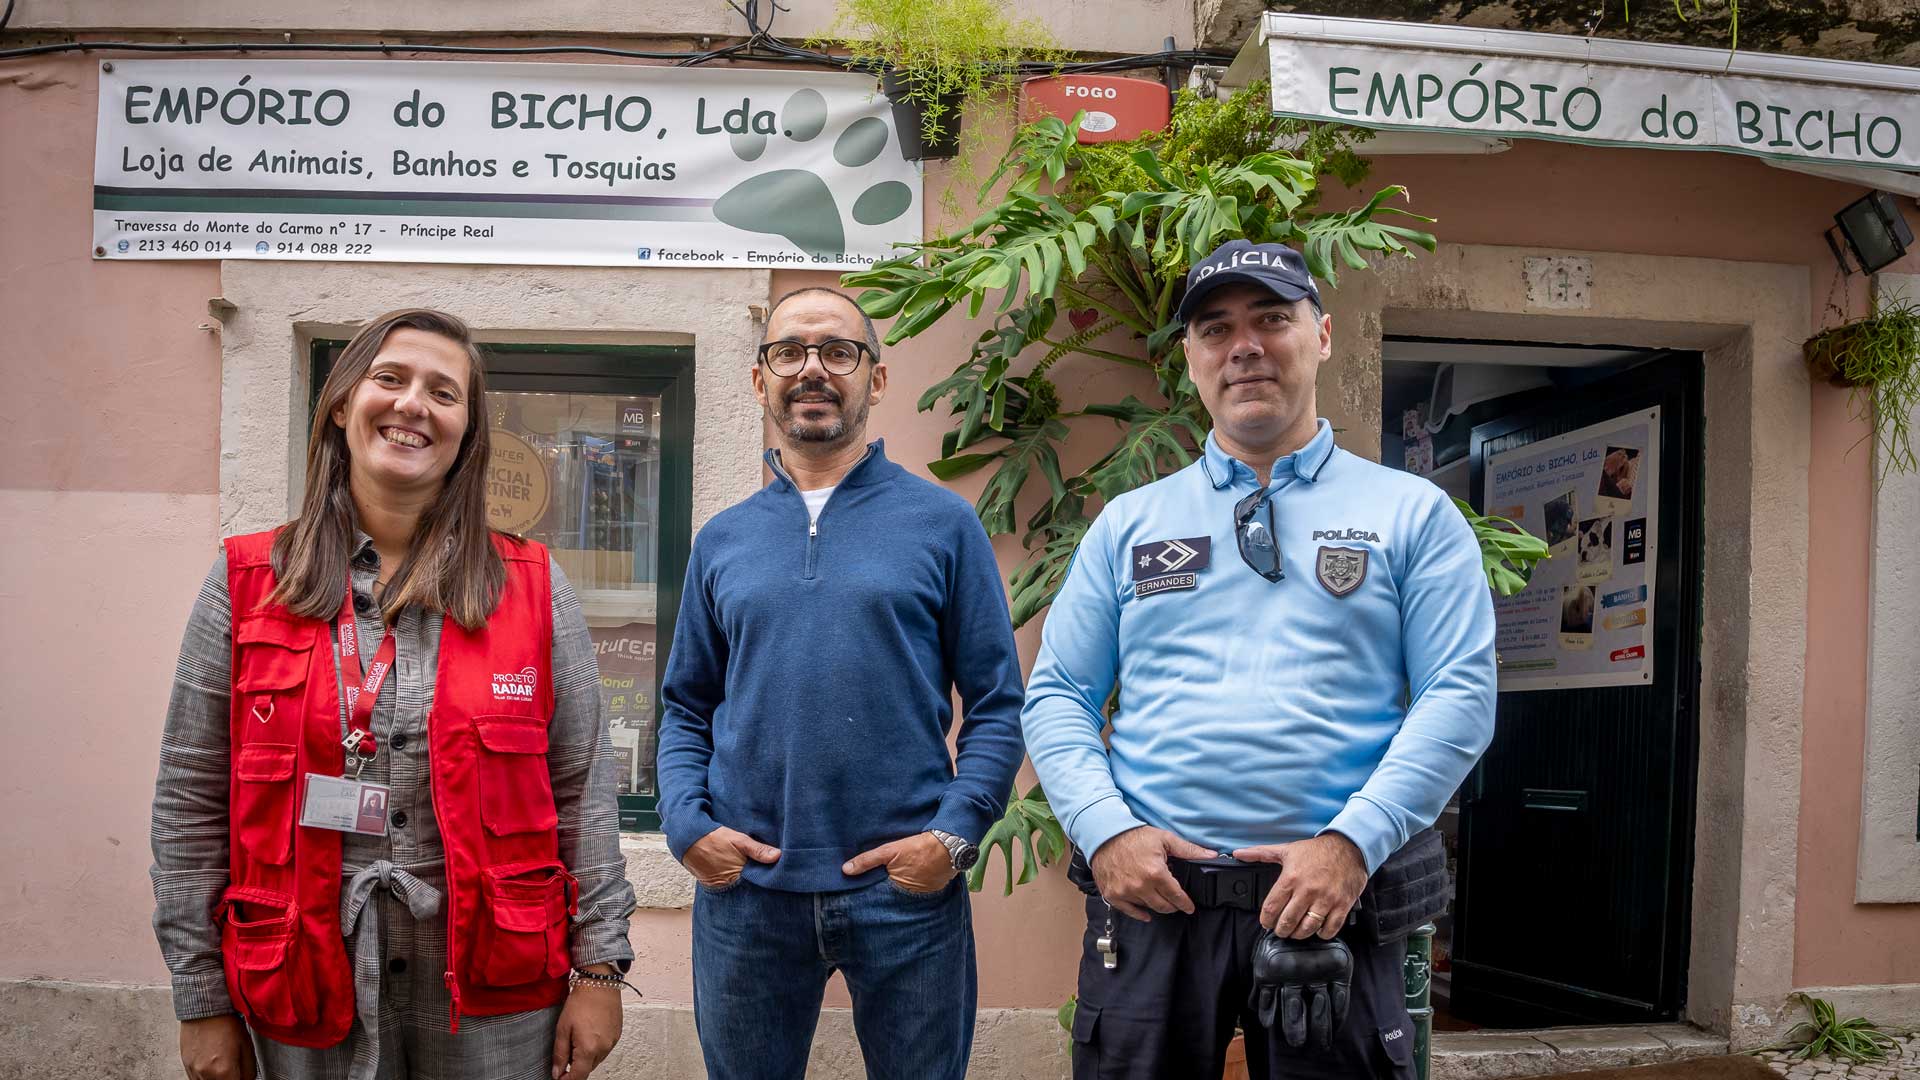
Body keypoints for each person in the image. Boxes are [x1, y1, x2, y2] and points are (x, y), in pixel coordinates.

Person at [1023, 240, 1497, 1080]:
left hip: (1337, 903)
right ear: (1191, 361)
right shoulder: (1130, 524)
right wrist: (1105, 832)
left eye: (1271, 318)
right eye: (1216, 329)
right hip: (1155, 899)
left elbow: (1457, 695)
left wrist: (1351, 845)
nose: (1244, 346)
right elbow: (1059, 693)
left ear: (1320, 336)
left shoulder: (1411, 515)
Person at [150, 309, 637, 1080]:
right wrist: (201, 995)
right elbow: (189, 798)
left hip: (495, 990)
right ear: (342, 404)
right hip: (304, 975)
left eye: (444, 393)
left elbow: (584, 791)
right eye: (391, 378)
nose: (415, 404)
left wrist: (601, 971)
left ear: (466, 432)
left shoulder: (535, 588)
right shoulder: (246, 583)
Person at [656, 287, 1026, 1080]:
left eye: (838, 352)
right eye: (789, 352)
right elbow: (686, 705)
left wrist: (952, 837)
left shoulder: (943, 524)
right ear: (761, 380)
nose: (812, 370)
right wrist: (688, 826)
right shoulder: (722, 541)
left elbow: (997, 704)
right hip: (746, 889)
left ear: (876, 379)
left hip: (906, 893)